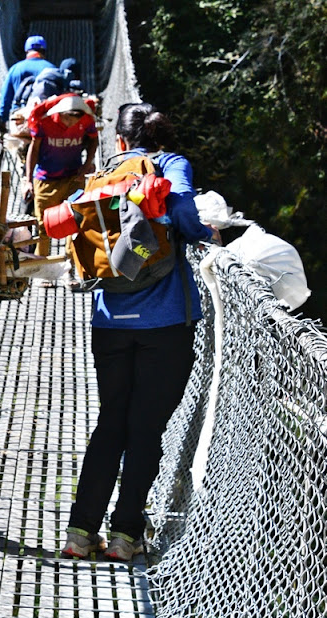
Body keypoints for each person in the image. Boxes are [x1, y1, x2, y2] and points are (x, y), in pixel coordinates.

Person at [61, 102, 221, 561]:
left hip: (109, 320)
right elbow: (187, 215)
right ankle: (125, 534)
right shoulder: (170, 164)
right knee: (145, 428)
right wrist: (209, 236)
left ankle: (79, 531)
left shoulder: (102, 173)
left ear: (120, 141)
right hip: (165, 322)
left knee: (110, 421)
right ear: (162, 138)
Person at [24, 93, 99, 273]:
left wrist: (87, 165)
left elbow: (94, 140)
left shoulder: (86, 121)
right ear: (61, 113)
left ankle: (69, 268)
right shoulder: (45, 122)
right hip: (46, 179)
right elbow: (33, 149)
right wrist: (27, 181)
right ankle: (43, 268)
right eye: (67, 119)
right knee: (44, 225)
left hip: (73, 177)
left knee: (74, 222)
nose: (70, 124)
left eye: (74, 121)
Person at [0, 35, 56, 128]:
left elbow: (6, 97)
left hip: (19, 118)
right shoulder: (51, 69)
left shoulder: (15, 69)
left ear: (26, 51)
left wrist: (3, 120)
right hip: (44, 118)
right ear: (44, 51)